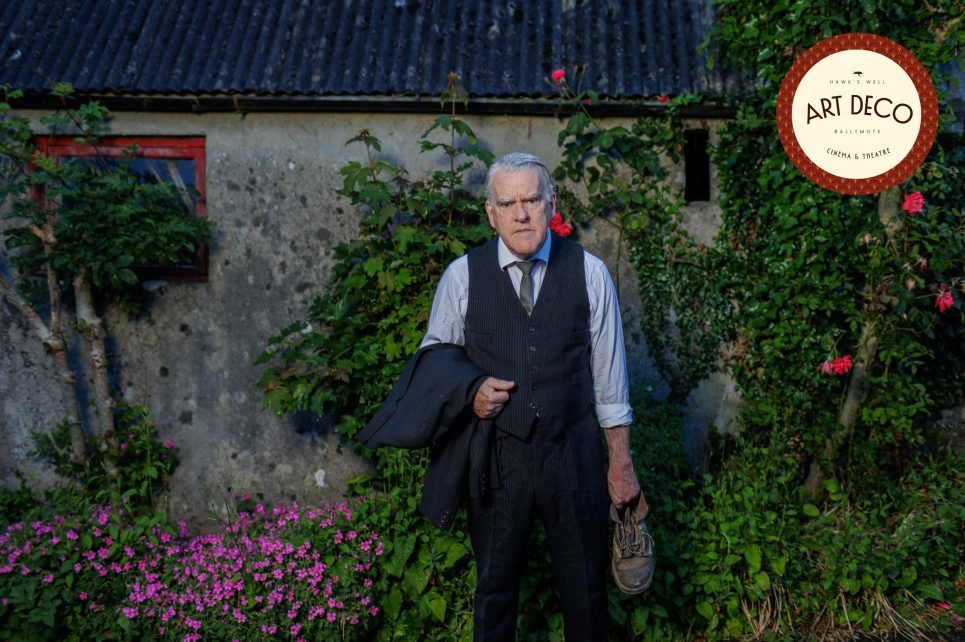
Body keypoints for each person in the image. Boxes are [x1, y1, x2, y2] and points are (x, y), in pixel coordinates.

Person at [420, 152, 644, 641]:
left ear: (551, 203)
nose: (521, 214)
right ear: (491, 213)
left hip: (573, 453)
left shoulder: (589, 272)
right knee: (495, 589)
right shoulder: (462, 276)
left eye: (531, 200)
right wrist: (470, 391)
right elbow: (434, 359)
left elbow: (610, 379)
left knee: (586, 589)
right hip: (498, 457)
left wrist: (620, 462)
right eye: (508, 203)